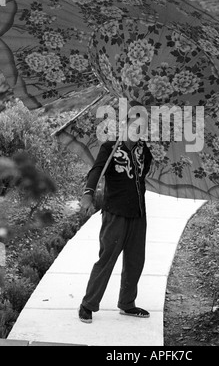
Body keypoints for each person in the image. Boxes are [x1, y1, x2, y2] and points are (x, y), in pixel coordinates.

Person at [78, 111, 153, 323]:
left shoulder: (143, 150)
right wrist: (88, 196)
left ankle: (127, 304)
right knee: (107, 258)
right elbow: (96, 170)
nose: (139, 131)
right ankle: (88, 304)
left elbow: (144, 172)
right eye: (135, 125)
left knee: (135, 260)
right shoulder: (110, 148)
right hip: (115, 214)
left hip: (138, 213)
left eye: (143, 127)